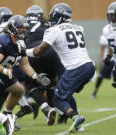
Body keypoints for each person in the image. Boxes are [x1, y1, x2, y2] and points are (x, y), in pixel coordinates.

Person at [26, 3, 95, 132]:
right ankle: (77, 123)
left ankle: (76, 118)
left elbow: (39, 51)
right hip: (89, 66)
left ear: (58, 16)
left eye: (53, 16)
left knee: (57, 98)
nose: (51, 18)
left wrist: (25, 51)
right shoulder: (79, 27)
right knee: (66, 94)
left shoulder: (54, 30)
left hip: (75, 68)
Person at [0, 14, 50, 127]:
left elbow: (25, 65)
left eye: (24, 28)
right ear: (13, 28)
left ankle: (8, 115)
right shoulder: (3, 40)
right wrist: (6, 71)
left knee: (19, 90)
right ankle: (2, 120)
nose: (23, 30)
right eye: (21, 28)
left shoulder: (21, 44)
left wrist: (35, 76)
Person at [24, 5, 65, 125]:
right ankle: (54, 110)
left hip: (32, 54)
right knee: (51, 84)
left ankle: (46, 108)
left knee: (32, 86)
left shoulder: (23, 22)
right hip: (50, 54)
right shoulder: (48, 23)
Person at [90, 34, 115, 99]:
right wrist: (101, 58)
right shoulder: (103, 37)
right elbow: (102, 49)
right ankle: (94, 92)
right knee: (100, 76)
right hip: (107, 60)